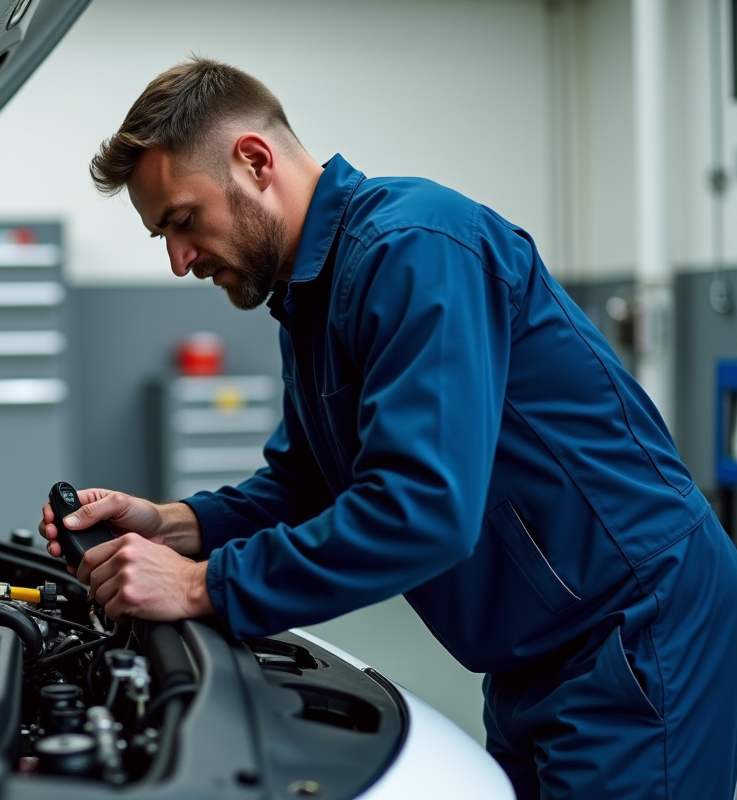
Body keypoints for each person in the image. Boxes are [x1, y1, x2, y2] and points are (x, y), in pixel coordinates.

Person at [39, 57, 737, 799]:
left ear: (253, 160)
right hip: (532, 650)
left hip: (633, 629)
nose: (180, 261)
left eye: (182, 221)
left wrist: (203, 584)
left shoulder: (415, 249)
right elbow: (309, 482)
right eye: (162, 238)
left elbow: (422, 511)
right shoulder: (309, 296)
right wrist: (176, 524)